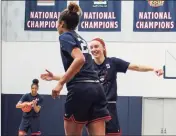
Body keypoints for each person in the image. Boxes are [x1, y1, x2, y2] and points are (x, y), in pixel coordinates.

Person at [40, 2, 111, 136]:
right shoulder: (79, 38)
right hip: (96, 89)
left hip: (80, 90)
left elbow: (80, 59)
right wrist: (56, 76)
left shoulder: (65, 36)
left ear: (61, 24)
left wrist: (60, 83)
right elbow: (81, 69)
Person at [89, 38, 164, 136]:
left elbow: (136, 67)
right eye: (91, 47)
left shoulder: (113, 62)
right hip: (95, 108)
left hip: (109, 107)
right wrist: (62, 81)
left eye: (96, 46)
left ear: (103, 48)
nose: (94, 49)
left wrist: (153, 68)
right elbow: (73, 75)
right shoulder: (88, 65)